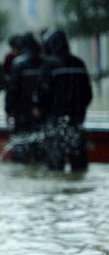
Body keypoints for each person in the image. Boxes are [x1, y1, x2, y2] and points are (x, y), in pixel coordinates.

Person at [39, 28, 93, 171]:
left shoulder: (49, 64)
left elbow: (42, 93)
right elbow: (88, 94)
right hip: (76, 120)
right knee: (79, 165)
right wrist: (79, 111)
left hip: (55, 120)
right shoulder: (78, 63)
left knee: (55, 167)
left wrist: (44, 112)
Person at [4, 32, 46, 163]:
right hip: (41, 114)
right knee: (39, 150)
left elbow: (12, 90)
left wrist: (8, 110)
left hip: (21, 113)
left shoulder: (18, 63)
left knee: (20, 152)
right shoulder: (45, 62)